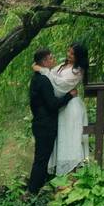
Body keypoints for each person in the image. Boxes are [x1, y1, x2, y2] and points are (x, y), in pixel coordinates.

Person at [33, 43, 91, 178]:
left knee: (70, 138)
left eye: (72, 54)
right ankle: (61, 179)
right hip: (62, 106)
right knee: (62, 139)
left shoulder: (78, 71)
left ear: (79, 57)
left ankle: (71, 176)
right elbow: (51, 80)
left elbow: (60, 86)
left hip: (71, 107)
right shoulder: (62, 65)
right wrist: (44, 71)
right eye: (68, 51)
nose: (68, 55)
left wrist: (42, 70)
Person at [28, 48, 77, 194]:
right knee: (41, 160)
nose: (53, 59)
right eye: (50, 58)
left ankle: (35, 190)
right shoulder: (43, 81)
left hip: (40, 123)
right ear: (44, 62)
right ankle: (32, 192)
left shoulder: (38, 77)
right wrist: (70, 95)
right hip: (45, 125)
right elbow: (53, 104)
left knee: (41, 158)